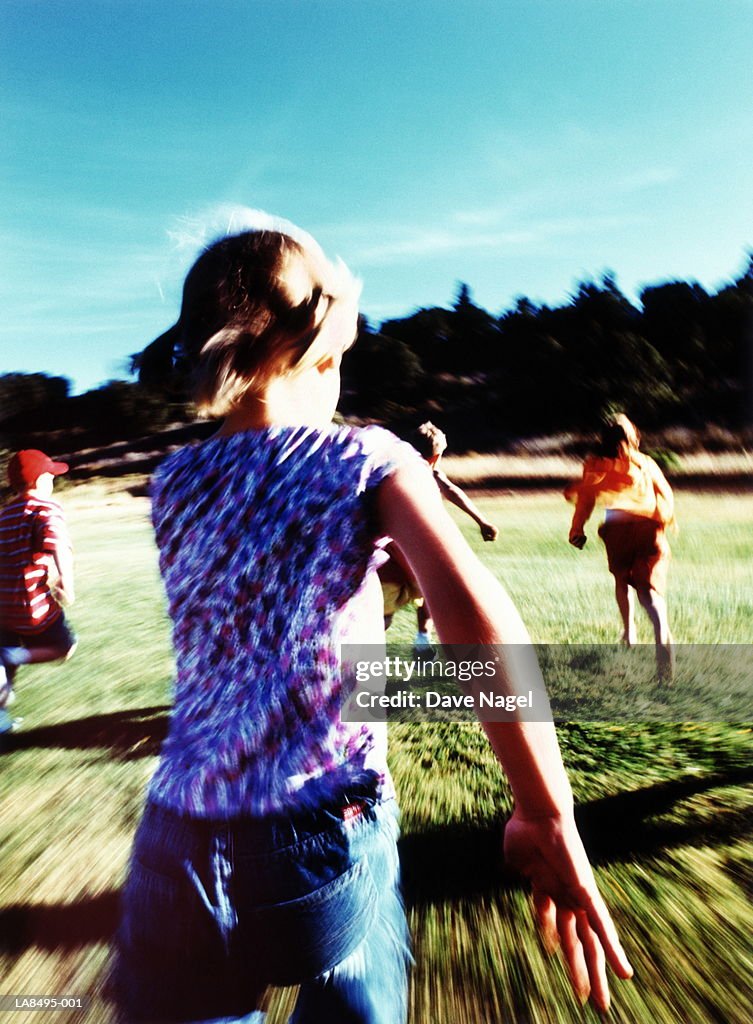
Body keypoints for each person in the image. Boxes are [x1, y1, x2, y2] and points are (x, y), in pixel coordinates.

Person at [116, 224, 632, 1024]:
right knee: (360, 966)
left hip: (175, 838)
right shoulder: (364, 459)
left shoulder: (173, 481)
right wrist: (544, 813)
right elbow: (475, 625)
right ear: (325, 351)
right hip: (317, 834)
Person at [565, 414, 675, 679]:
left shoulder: (595, 464)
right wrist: (665, 518)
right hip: (648, 529)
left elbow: (586, 499)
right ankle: (664, 652)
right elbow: (665, 492)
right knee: (650, 593)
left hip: (617, 530)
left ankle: (629, 630)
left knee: (622, 579)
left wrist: (577, 527)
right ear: (633, 436)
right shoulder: (645, 463)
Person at [380, 421, 498, 653]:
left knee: (392, 607)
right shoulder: (414, 473)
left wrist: (482, 521)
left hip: (394, 551)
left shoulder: (404, 469)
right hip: (408, 549)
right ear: (435, 457)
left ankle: (417, 641)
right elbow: (451, 491)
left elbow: (451, 490)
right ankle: (422, 639)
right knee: (430, 591)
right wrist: (481, 520)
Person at [0, 450, 77, 734]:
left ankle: (0, 721)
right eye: (51, 476)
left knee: (4, 673)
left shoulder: (5, 513)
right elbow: (57, 542)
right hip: (31, 605)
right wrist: (66, 582)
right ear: (41, 480)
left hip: (3, 605)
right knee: (64, 646)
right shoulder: (45, 507)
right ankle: (11, 655)